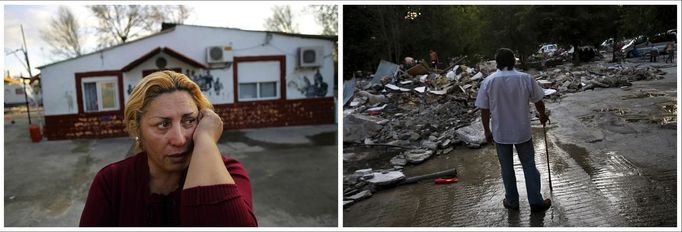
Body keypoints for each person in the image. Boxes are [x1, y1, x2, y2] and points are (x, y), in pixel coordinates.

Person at [80, 70, 258, 226]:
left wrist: (205, 140)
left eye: (189, 121)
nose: (180, 140)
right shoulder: (112, 182)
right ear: (136, 128)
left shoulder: (230, 172)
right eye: (163, 124)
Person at [475, 48, 552, 213]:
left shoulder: (488, 81)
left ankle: (512, 201)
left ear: (497, 63)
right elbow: (538, 101)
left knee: (507, 168)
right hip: (522, 131)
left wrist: (487, 131)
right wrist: (542, 115)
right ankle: (536, 202)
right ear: (514, 62)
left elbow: (484, 110)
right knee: (529, 165)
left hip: (501, 133)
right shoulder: (525, 78)